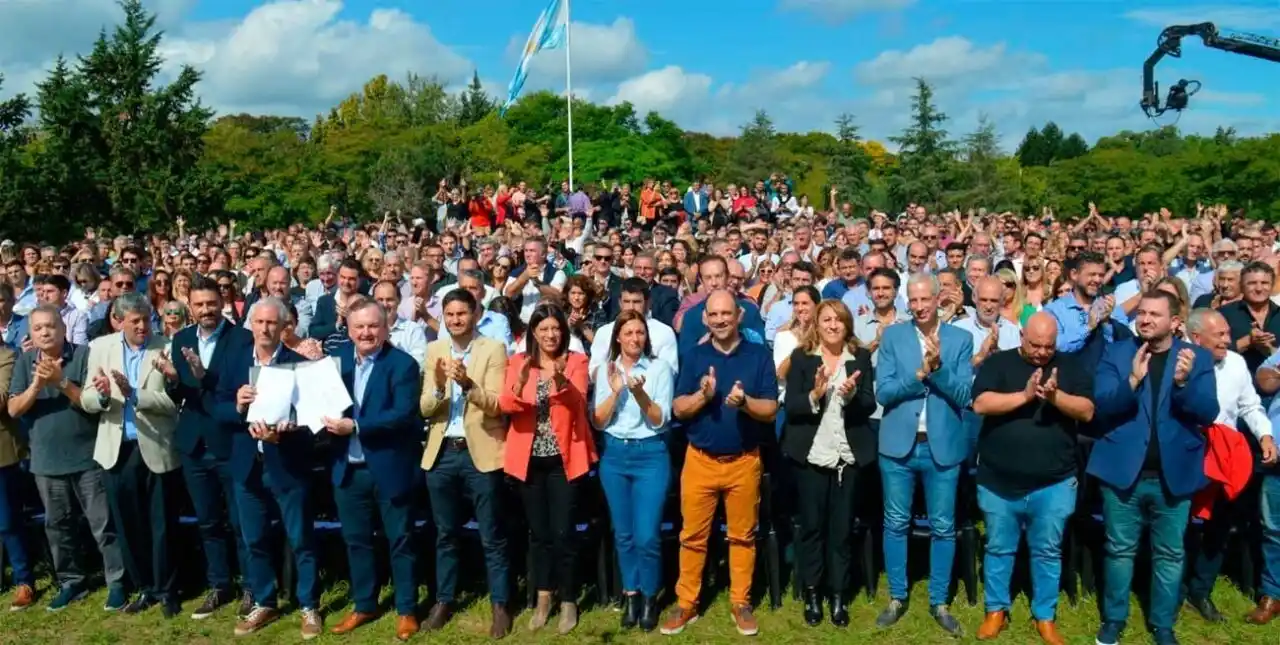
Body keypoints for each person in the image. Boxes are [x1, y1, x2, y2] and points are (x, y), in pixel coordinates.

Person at [1090, 290, 1219, 645]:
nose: (1145, 319)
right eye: (1142, 312)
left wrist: (1182, 384)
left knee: (1170, 552)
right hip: (1122, 473)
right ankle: (1114, 620)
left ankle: (1162, 625)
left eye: (1155, 314)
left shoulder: (1197, 359)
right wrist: (1131, 381)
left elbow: (1207, 412)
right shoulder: (1117, 353)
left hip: (1173, 474)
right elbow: (1101, 406)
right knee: (1119, 550)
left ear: (1176, 322)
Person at [971, 313, 1095, 645]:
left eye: (1048, 346)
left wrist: (1055, 397)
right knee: (998, 549)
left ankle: (1045, 616)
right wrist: (1024, 396)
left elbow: (1086, 410)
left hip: (1053, 482)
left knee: (1047, 552)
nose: (1041, 352)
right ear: (1022, 335)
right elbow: (980, 403)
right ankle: (996, 609)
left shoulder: (1070, 366)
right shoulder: (999, 364)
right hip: (999, 482)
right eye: (1035, 344)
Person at [663, 290, 778, 637]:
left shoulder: (759, 355)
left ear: (739, 315)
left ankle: (740, 601)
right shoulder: (695, 355)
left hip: (744, 461)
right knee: (692, 537)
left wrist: (744, 404)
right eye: (713, 315)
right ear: (705, 319)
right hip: (700, 461)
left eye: (726, 314)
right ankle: (687, 603)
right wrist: (704, 396)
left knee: (743, 537)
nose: (720, 320)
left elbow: (771, 409)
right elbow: (678, 409)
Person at [212, 297, 322, 639]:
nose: (265, 328)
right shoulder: (234, 360)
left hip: (286, 462)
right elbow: (216, 408)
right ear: (251, 325)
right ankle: (265, 600)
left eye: (272, 323)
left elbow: (314, 422)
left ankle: (309, 605)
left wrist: (287, 433)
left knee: (300, 538)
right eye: (259, 322)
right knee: (253, 537)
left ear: (284, 327)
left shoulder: (299, 364)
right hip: (247, 464)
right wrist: (237, 404)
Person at [6, 305, 126, 612]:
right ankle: (71, 581)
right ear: (30, 333)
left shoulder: (85, 355)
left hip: (87, 457)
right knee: (58, 527)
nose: (44, 332)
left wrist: (60, 381)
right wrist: (37, 384)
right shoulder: (24, 361)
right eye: (38, 328)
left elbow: (92, 405)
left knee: (103, 525)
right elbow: (13, 409)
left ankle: (117, 581)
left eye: (50, 326)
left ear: (63, 328)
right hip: (45, 461)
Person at [874, 273, 974, 636]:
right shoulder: (893, 337)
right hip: (899, 445)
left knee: (943, 526)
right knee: (896, 522)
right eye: (912, 301)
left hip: (942, 446)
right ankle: (897, 596)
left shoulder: (960, 339)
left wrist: (938, 370)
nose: (918, 307)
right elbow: (883, 393)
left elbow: (965, 395)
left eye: (924, 300)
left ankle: (939, 600)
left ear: (938, 299)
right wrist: (918, 375)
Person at [322, 300, 422, 640]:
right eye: (359, 327)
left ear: (385, 328)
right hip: (348, 470)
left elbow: (403, 414)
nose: (366, 333)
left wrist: (357, 427)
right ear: (349, 331)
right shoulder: (336, 368)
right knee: (356, 542)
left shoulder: (403, 365)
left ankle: (407, 609)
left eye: (373, 326)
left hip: (390, 468)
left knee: (401, 541)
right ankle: (365, 604)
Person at [80, 292, 182, 617]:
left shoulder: (165, 347)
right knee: (129, 523)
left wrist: (135, 395)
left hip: (154, 447)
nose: (142, 326)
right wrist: (104, 397)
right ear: (119, 321)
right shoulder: (100, 348)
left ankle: (168, 590)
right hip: (116, 449)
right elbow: (86, 398)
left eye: (146, 318)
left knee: (161, 523)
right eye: (134, 321)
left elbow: (173, 404)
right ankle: (145, 588)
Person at [419, 289, 513, 638]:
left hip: (481, 452)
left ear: (475, 314)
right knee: (445, 533)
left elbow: (497, 404)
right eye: (450, 315)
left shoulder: (492, 349)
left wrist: (468, 384)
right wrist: (443, 387)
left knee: (492, 535)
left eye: (462, 313)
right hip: (442, 452)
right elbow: (426, 408)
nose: (456, 320)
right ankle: (445, 599)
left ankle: (501, 604)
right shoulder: (435, 351)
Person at [498, 303, 596, 633]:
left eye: (556, 329)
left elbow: (579, 402)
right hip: (529, 460)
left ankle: (568, 598)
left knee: (563, 532)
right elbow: (507, 406)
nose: (550, 335)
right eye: (544, 330)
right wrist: (520, 382)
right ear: (534, 333)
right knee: (538, 535)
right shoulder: (518, 362)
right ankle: (543, 597)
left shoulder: (577, 361)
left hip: (564, 460)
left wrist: (560, 381)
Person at [781, 299, 876, 627]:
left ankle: (838, 595)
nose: (833, 325)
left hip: (847, 457)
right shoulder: (802, 358)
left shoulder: (860, 358)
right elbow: (791, 405)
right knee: (811, 528)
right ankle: (812, 592)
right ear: (816, 324)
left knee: (841, 530)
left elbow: (868, 402)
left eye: (839, 320)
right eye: (826, 320)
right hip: (811, 456)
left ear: (847, 325)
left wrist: (851, 397)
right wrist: (814, 395)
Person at [165, 278, 254, 619]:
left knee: (239, 520)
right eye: (199, 305)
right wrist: (174, 380)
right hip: (193, 444)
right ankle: (220, 584)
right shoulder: (182, 338)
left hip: (229, 441)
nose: (206, 310)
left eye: (211, 304)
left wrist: (204, 377)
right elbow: (181, 397)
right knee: (207, 521)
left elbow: (239, 392)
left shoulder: (241, 339)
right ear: (190, 306)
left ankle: (251, 586)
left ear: (223, 303)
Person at [1182, 308, 1277, 623]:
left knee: (1219, 526)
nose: (1228, 339)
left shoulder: (1235, 363)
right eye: (1220, 335)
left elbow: (1249, 404)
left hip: (1224, 457)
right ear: (1197, 338)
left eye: (1226, 333)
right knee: (1179, 525)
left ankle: (1201, 590)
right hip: (1186, 452)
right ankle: (1173, 589)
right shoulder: (1179, 360)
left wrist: (1265, 434)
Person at [591, 309, 675, 632]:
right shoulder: (606, 370)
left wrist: (639, 392)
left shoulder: (659, 369)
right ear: (618, 338)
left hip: (650, 455)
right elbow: (598, 421)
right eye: (628, 333)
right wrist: (616, 391)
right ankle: (631, 594)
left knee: (647, 534)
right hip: (615, 454)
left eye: (639, 333)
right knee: (623, 534)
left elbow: (659, 419)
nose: (634, 338)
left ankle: (651, 595)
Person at [587, 278, 678, 378]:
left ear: (648, 303)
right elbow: (594, 372)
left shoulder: (664, 333)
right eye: (626, 301)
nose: (631, 307)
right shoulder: (604, 332)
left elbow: (670, 373)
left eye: (636, 302)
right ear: (620, 303)